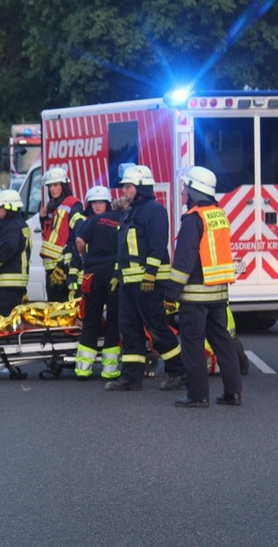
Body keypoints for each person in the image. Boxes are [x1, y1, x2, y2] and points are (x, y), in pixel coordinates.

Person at [165, 166, 243, 407]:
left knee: (192, 344)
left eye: (186, 186)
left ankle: (197, 395)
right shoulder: (219, 214)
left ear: (195, 189)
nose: (184, 191)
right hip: (218, 293)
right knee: (222, 342)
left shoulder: (193, 219)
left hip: (196, 296)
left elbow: (184, 261)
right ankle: (233, 392)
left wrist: (171, 293)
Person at [106, 165, 185, 392]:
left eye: (128, 186)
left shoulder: (154, 211)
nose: (124, 190)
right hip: (129, 283)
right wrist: (115, 275)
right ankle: (131, 377)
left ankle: (179, 371)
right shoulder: (131, 213)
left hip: (149, 283)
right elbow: (123, 249)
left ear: (141, 188)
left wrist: (150, 274)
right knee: (129, 330)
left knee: (158, 329)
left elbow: (157, 244)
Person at [70, 186, 125, 381]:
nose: (98, 205)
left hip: (93, 274)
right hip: (114, 275)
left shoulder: (92, 221)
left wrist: (86, 258)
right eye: (95, 202)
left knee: (91, 319)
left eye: (100, 202)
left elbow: (79, 242)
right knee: (113, 321)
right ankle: (110, 371)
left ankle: (83, 368)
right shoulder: (121, 220)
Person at [38, 166, 85, 303]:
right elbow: (51, 235)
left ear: (64, 186)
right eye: (50, 186)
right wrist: (43, 219)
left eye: (56, 185)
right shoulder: (51, 207)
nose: (52, 189)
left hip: (64, 265)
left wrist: (67, 266)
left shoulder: (73, 204)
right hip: (51, 268)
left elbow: (77, 236)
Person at [0, 188, 30, 316]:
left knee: (3, 322)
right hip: (10, 284)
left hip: (6, 284)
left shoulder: (11, 226)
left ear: (9, 207)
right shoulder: (18, 223)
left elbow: (10, 246)